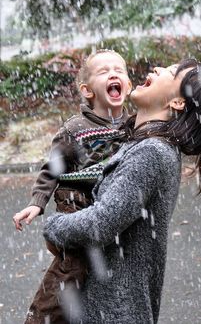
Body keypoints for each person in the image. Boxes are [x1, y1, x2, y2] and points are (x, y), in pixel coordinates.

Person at [43, 59, 201, 324]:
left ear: (177, 102)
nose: (158, 69)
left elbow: (101, 223)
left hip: (114, 312)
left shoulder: (151, 152)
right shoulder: (145, 145)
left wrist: (54, 226)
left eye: (172, 72)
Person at [13, 49, 132, 323]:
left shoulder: (133, 126)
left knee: (110, 274)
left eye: (119, 70)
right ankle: (42, 316)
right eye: (104, 71)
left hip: (109, 205)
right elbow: (51, 169)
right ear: (87, 90)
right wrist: (36, 202)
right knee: (71, 270)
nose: (113, 73)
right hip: (77, 206)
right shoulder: (75, 128)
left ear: (128, 85)